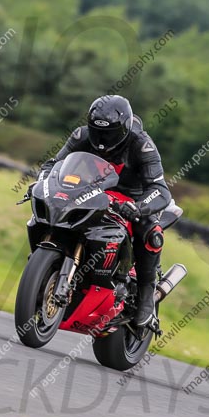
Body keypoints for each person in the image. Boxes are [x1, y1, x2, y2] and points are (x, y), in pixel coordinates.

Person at [36, 95, 171, 328]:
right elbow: (53, 165)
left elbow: (160, 190)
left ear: (125, 128)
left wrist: (138, 208)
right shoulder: (81, 136)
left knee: (151, 233)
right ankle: (52, 268)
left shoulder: (142, 145)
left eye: (110, 133)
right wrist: (43, 183)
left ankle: (145, 296)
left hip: (133, 199)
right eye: (98, 132)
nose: (102, 139)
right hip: (93, 191)